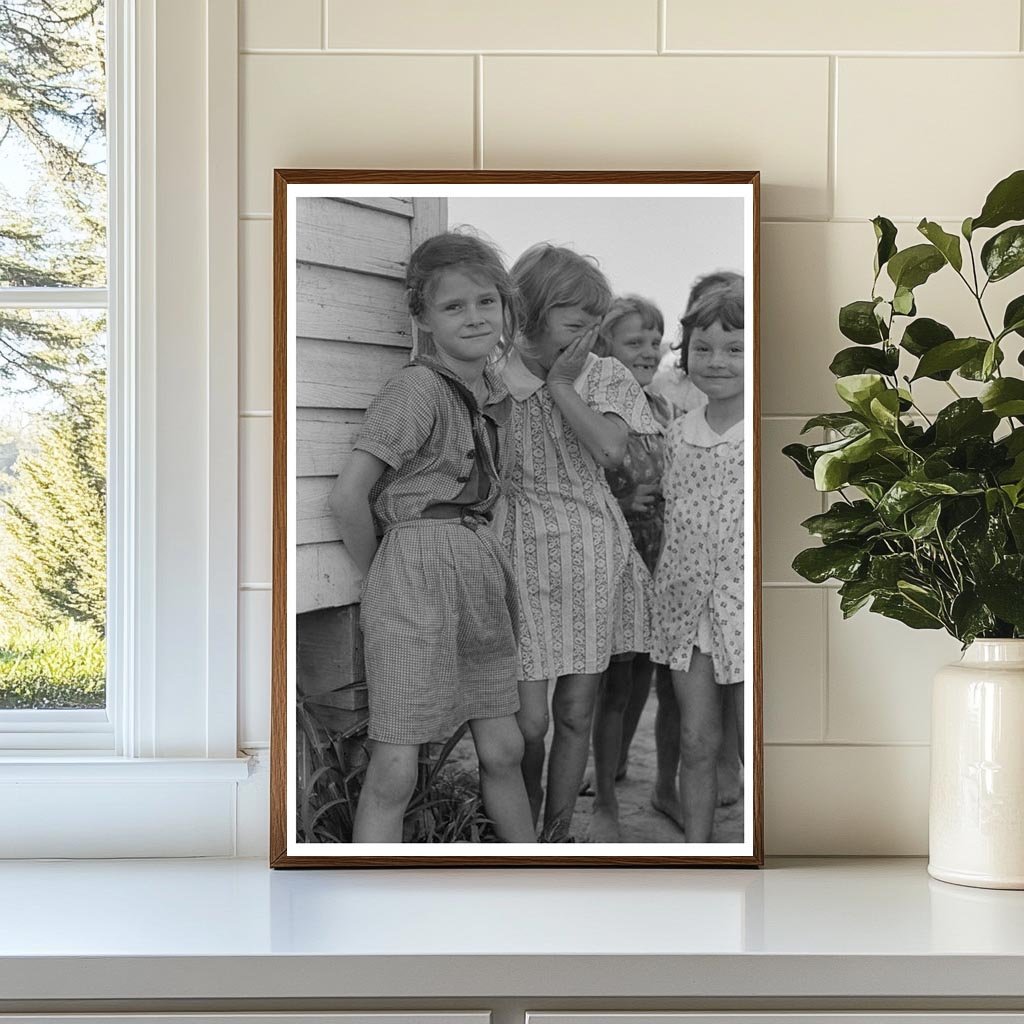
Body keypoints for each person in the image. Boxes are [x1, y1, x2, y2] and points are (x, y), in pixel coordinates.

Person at [330, 231, 535, 844]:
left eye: (485, 302)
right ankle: (375, 901)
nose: (473, 317)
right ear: (421, 317)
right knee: (396, 764)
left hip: (476, 569)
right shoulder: (417, 389)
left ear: (503, 307)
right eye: (453, 306)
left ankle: (535, 879)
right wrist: (386, 573)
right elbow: (347, 497)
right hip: (415, 567)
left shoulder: (495, 394)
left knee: (503, 746)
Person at [494, 244, 658, 839]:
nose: (590, 334)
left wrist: (563, 386)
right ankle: (522, 828)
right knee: (528, 722)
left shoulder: (605, 374)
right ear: (533, 312)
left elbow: (613, 452)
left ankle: (558, 833)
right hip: (516, 554)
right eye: (576, 322)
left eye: (597, 323)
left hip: (590, 554)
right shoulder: (493, 372)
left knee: (574, 712)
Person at [652, 271, 746, 843]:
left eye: (735, 348)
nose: (717, 361)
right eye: (703, 348)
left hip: (743, 605)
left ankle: (761, 842)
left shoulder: (761, 430)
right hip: (688, 607)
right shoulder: (678, 432)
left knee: (754, 734)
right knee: (696, 739)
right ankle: (699, 847)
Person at [589, 294, 677, 842]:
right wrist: (620, 506)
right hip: (616, 551)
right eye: (633, 341)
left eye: (654, 340)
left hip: (661, 555)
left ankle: (620, 761)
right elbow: (575, 485)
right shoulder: (595, 407)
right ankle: (601, 794)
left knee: (644, 670)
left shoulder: (665, 408)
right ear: (604, 347)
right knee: (613, 682)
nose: (648, 351)